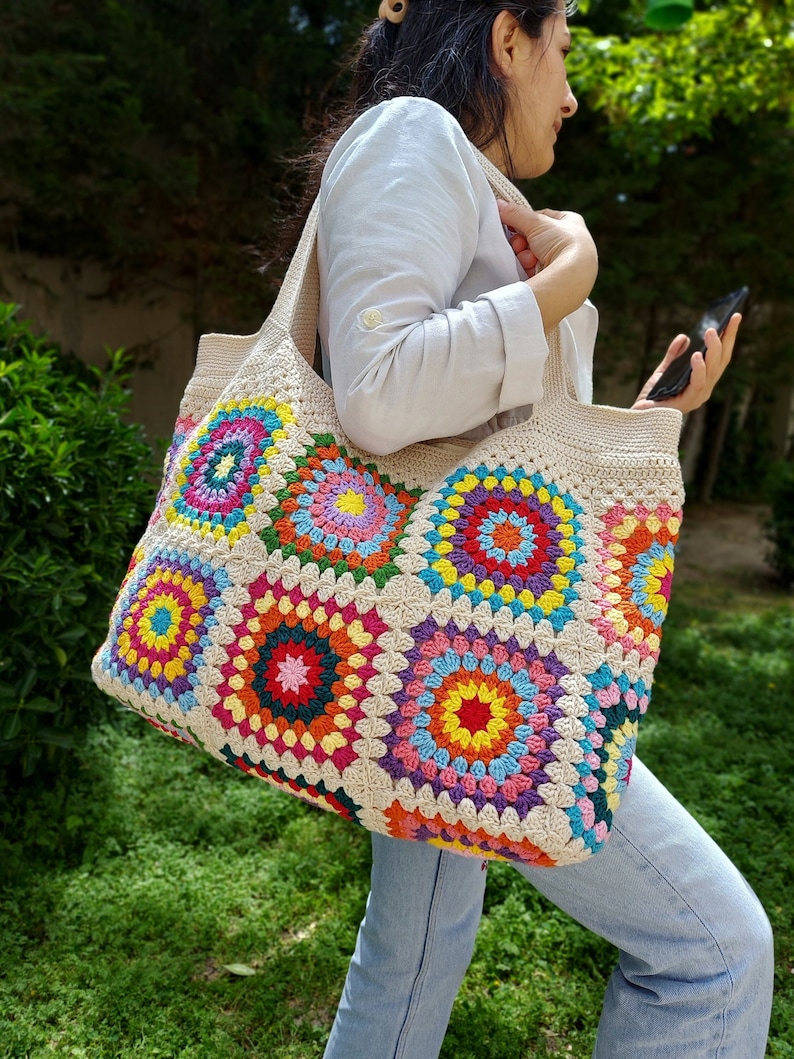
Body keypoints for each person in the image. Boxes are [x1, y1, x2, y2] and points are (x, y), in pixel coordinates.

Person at [309, 2, 774, 1056]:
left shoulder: (487, 198)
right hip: (469, 654)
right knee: (712, 952)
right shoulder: (412, 134)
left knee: (418, 944)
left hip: (444, 642)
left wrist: (655, 412)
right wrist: (571, 275)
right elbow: (379, 396)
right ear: (504, 39)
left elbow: (494, 451)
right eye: (561, 51)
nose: (568, 92)